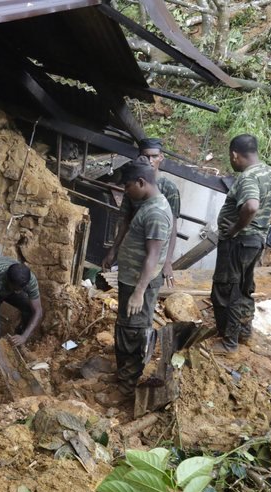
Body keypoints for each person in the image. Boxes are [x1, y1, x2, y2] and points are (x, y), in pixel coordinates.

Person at [211, 134, 271, 354]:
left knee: (227, 290)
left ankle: (228, 342)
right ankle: (244, 333)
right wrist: (264, 220)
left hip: (238, 241)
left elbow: (251, 206)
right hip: (254, 241)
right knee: (245, 288)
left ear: (235, 155)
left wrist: (236, 228)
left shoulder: (248, 177)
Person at [109, 157, 172, 398]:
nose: (126, 191)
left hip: (139, 283)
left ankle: (126, 389)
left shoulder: (156, 212)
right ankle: (123, 376)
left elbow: (153, 256)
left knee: (134, 333)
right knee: (126, 328)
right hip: (132, 279)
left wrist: (138, 292)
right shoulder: (147, 203)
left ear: (141, 182)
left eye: (127, 186)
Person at [103, 138, 181, 287]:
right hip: (134, 253)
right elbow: (125, 221)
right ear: (140, 158)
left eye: (154, 156)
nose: (150, 161)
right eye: (146, 156)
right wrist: (113, 251)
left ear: (161, 157)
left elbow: (173, 228)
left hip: (155, 253)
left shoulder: (169, 189)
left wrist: (168, 261)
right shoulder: (133, 186)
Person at [0, 257, 44, 386]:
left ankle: (17, 344)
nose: (18, 291)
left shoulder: (29, 280)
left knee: (29, 309)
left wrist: (24, 336)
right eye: (15, 288)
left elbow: (38, 311)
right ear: (8, 281)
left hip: (8, 288)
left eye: (20, 289)